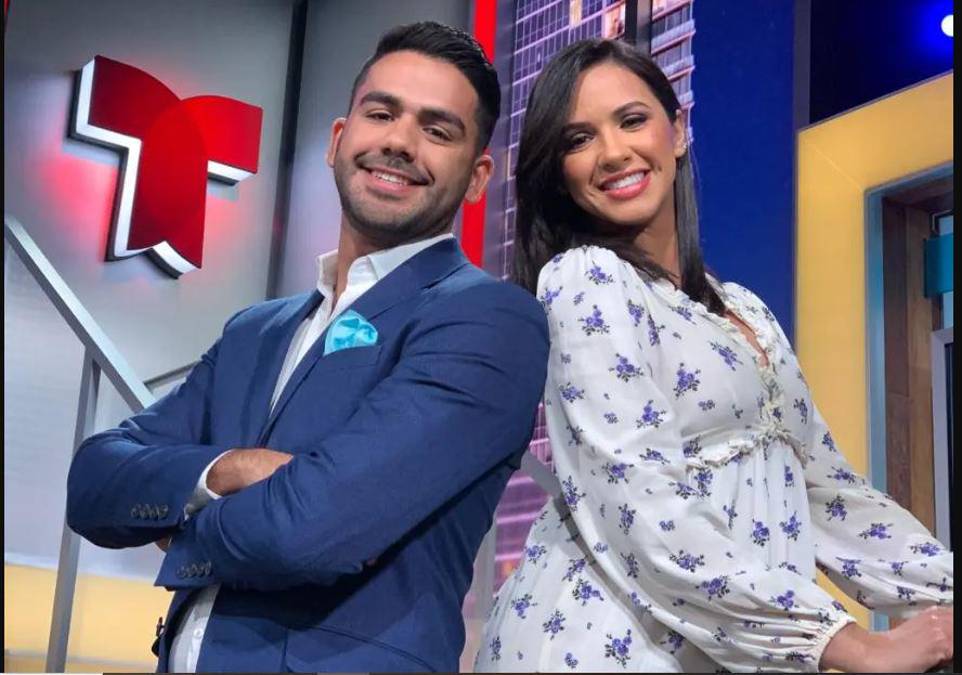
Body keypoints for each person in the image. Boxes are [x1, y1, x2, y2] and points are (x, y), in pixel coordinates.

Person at [66, 21, 549, 673]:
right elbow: (93, 481)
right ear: (338, 140)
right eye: (381, 113)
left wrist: (181, 524)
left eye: (437, 131)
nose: (400, 142)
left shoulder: (489, 320)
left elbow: (307, 530)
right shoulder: (255, 331)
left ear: (477, 177)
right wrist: (227, 470)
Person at [476, 39, 953, 673]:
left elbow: (829, 496)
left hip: (727, 650)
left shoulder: (742, 309)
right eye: (579, 139)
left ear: (676, 131)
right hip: (606, 645)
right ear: (559, 171)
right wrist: (852, 644)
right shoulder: (585, 278)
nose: (613, 152)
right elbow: (639, 499)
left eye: (632, 120)